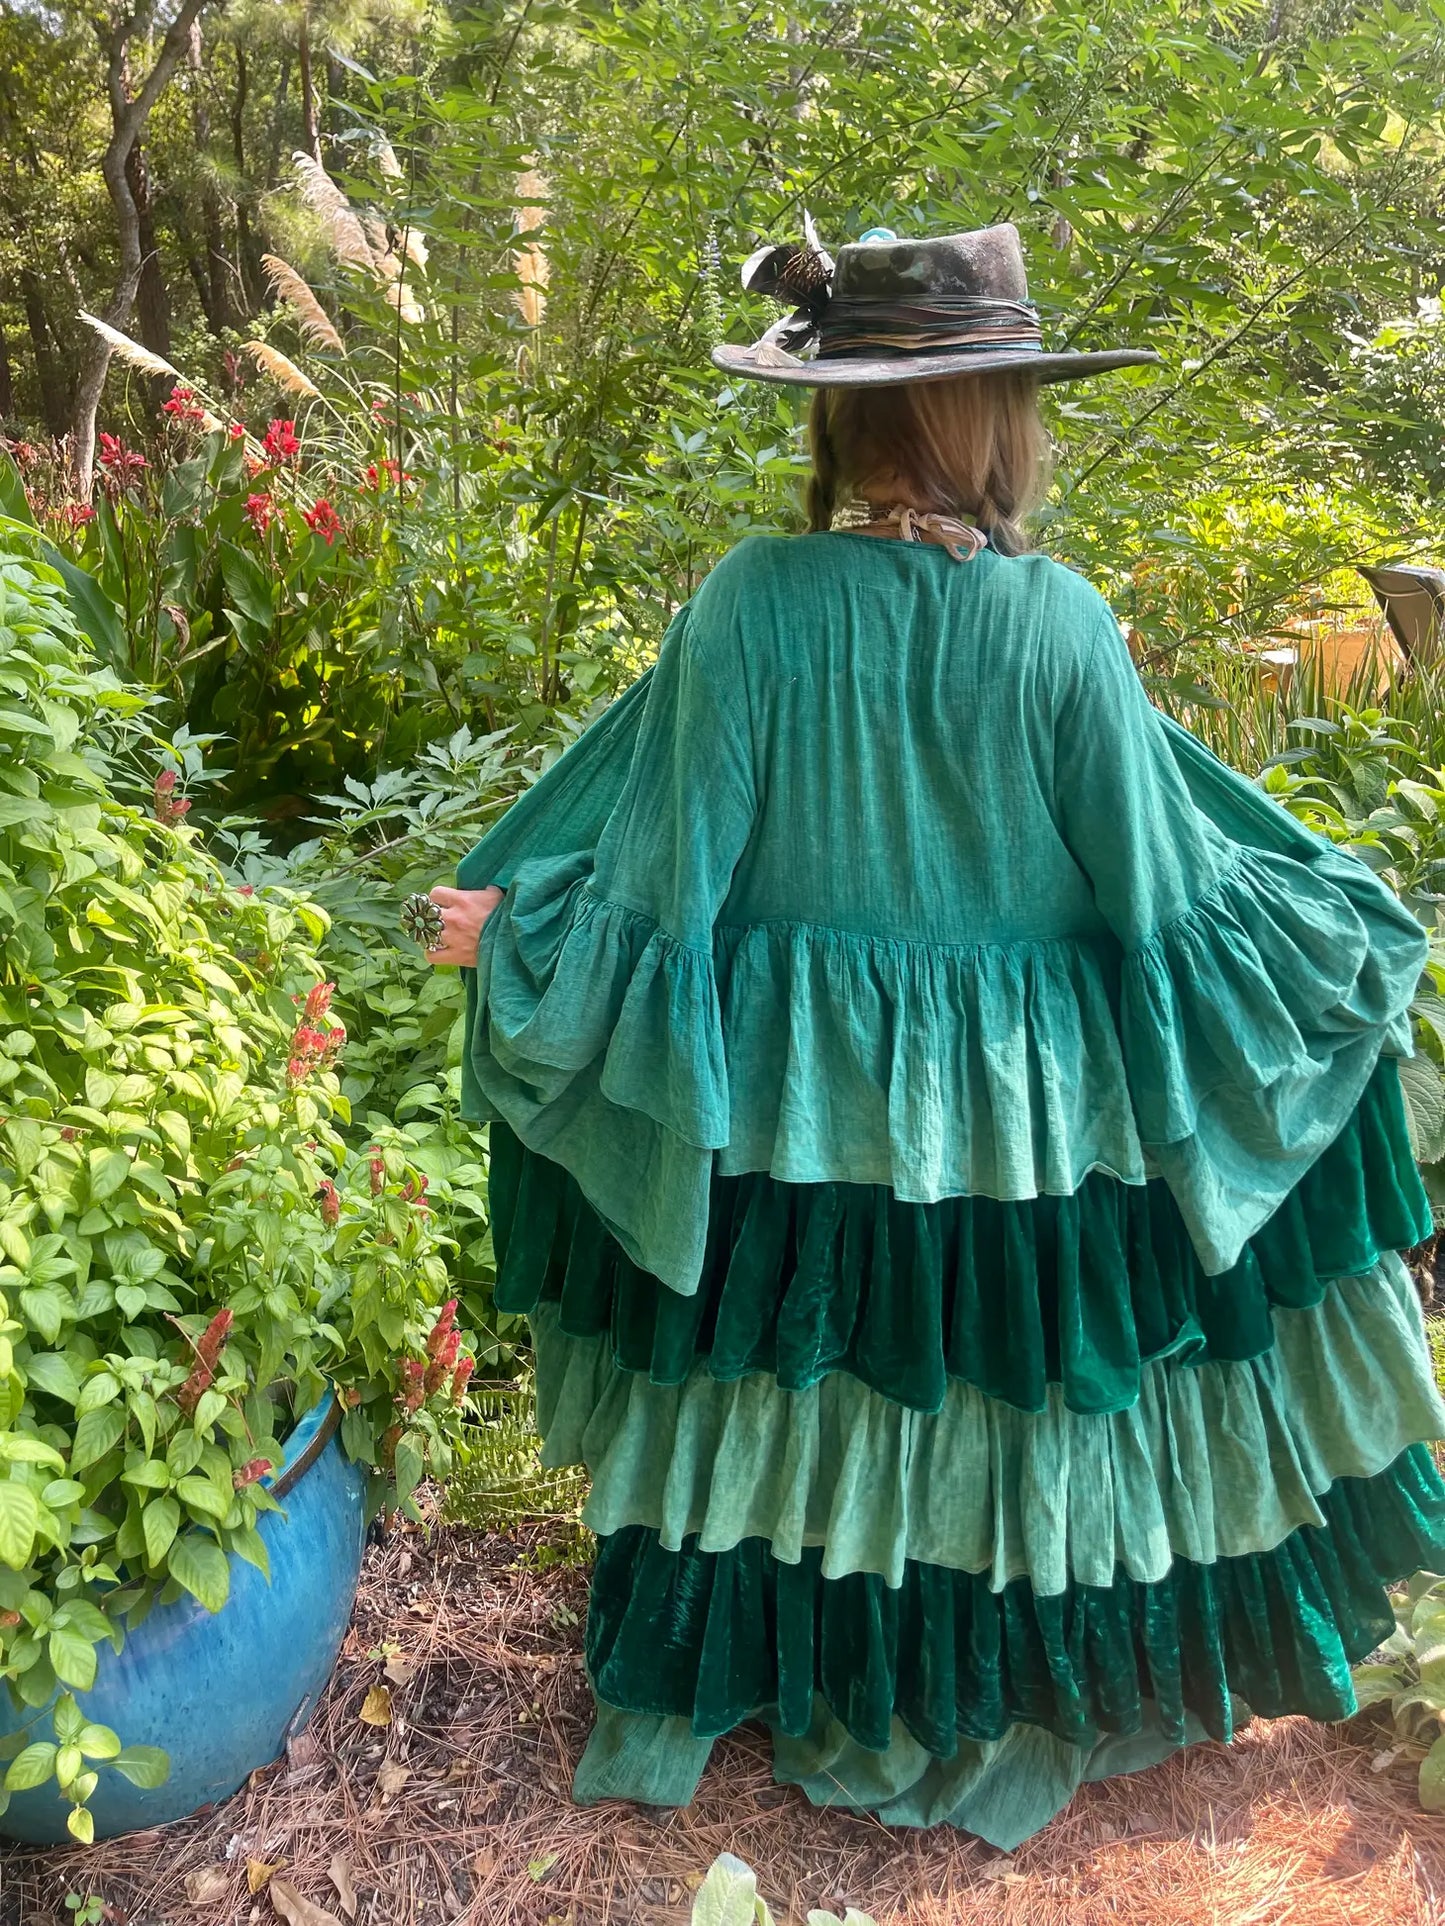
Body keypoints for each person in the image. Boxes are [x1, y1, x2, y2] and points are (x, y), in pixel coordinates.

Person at [424, 223, 1445, 1850]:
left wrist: (522, 931)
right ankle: (1000, 1667)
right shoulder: (1055, 626)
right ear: (998, 421)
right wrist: (1331, 934)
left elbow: (664, 884)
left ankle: (798, 1655)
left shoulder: (751, 604)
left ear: (838, 418)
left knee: (802, 1375)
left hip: (801, 1104)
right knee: (1011, 1398)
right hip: (1024, 1116)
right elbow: (1167, 904)